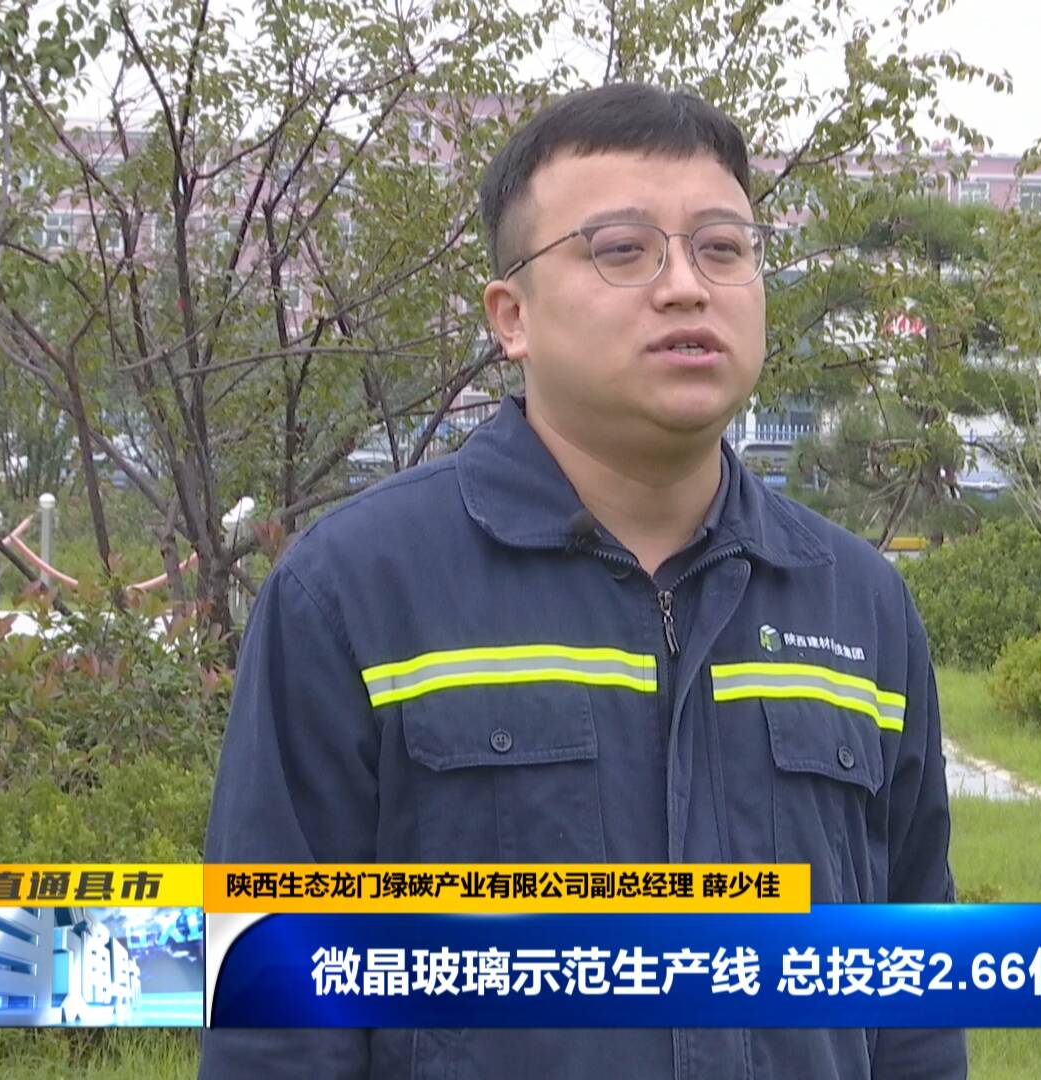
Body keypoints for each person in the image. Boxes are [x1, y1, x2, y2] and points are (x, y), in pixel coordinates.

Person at [200, 82, 963, 1079]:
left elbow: (912, 1003)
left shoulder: (858, 605)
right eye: (623, 249)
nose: (686, 287)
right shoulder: (356, 592)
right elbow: (274, 1021)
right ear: (511, 316)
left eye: (721, 247)